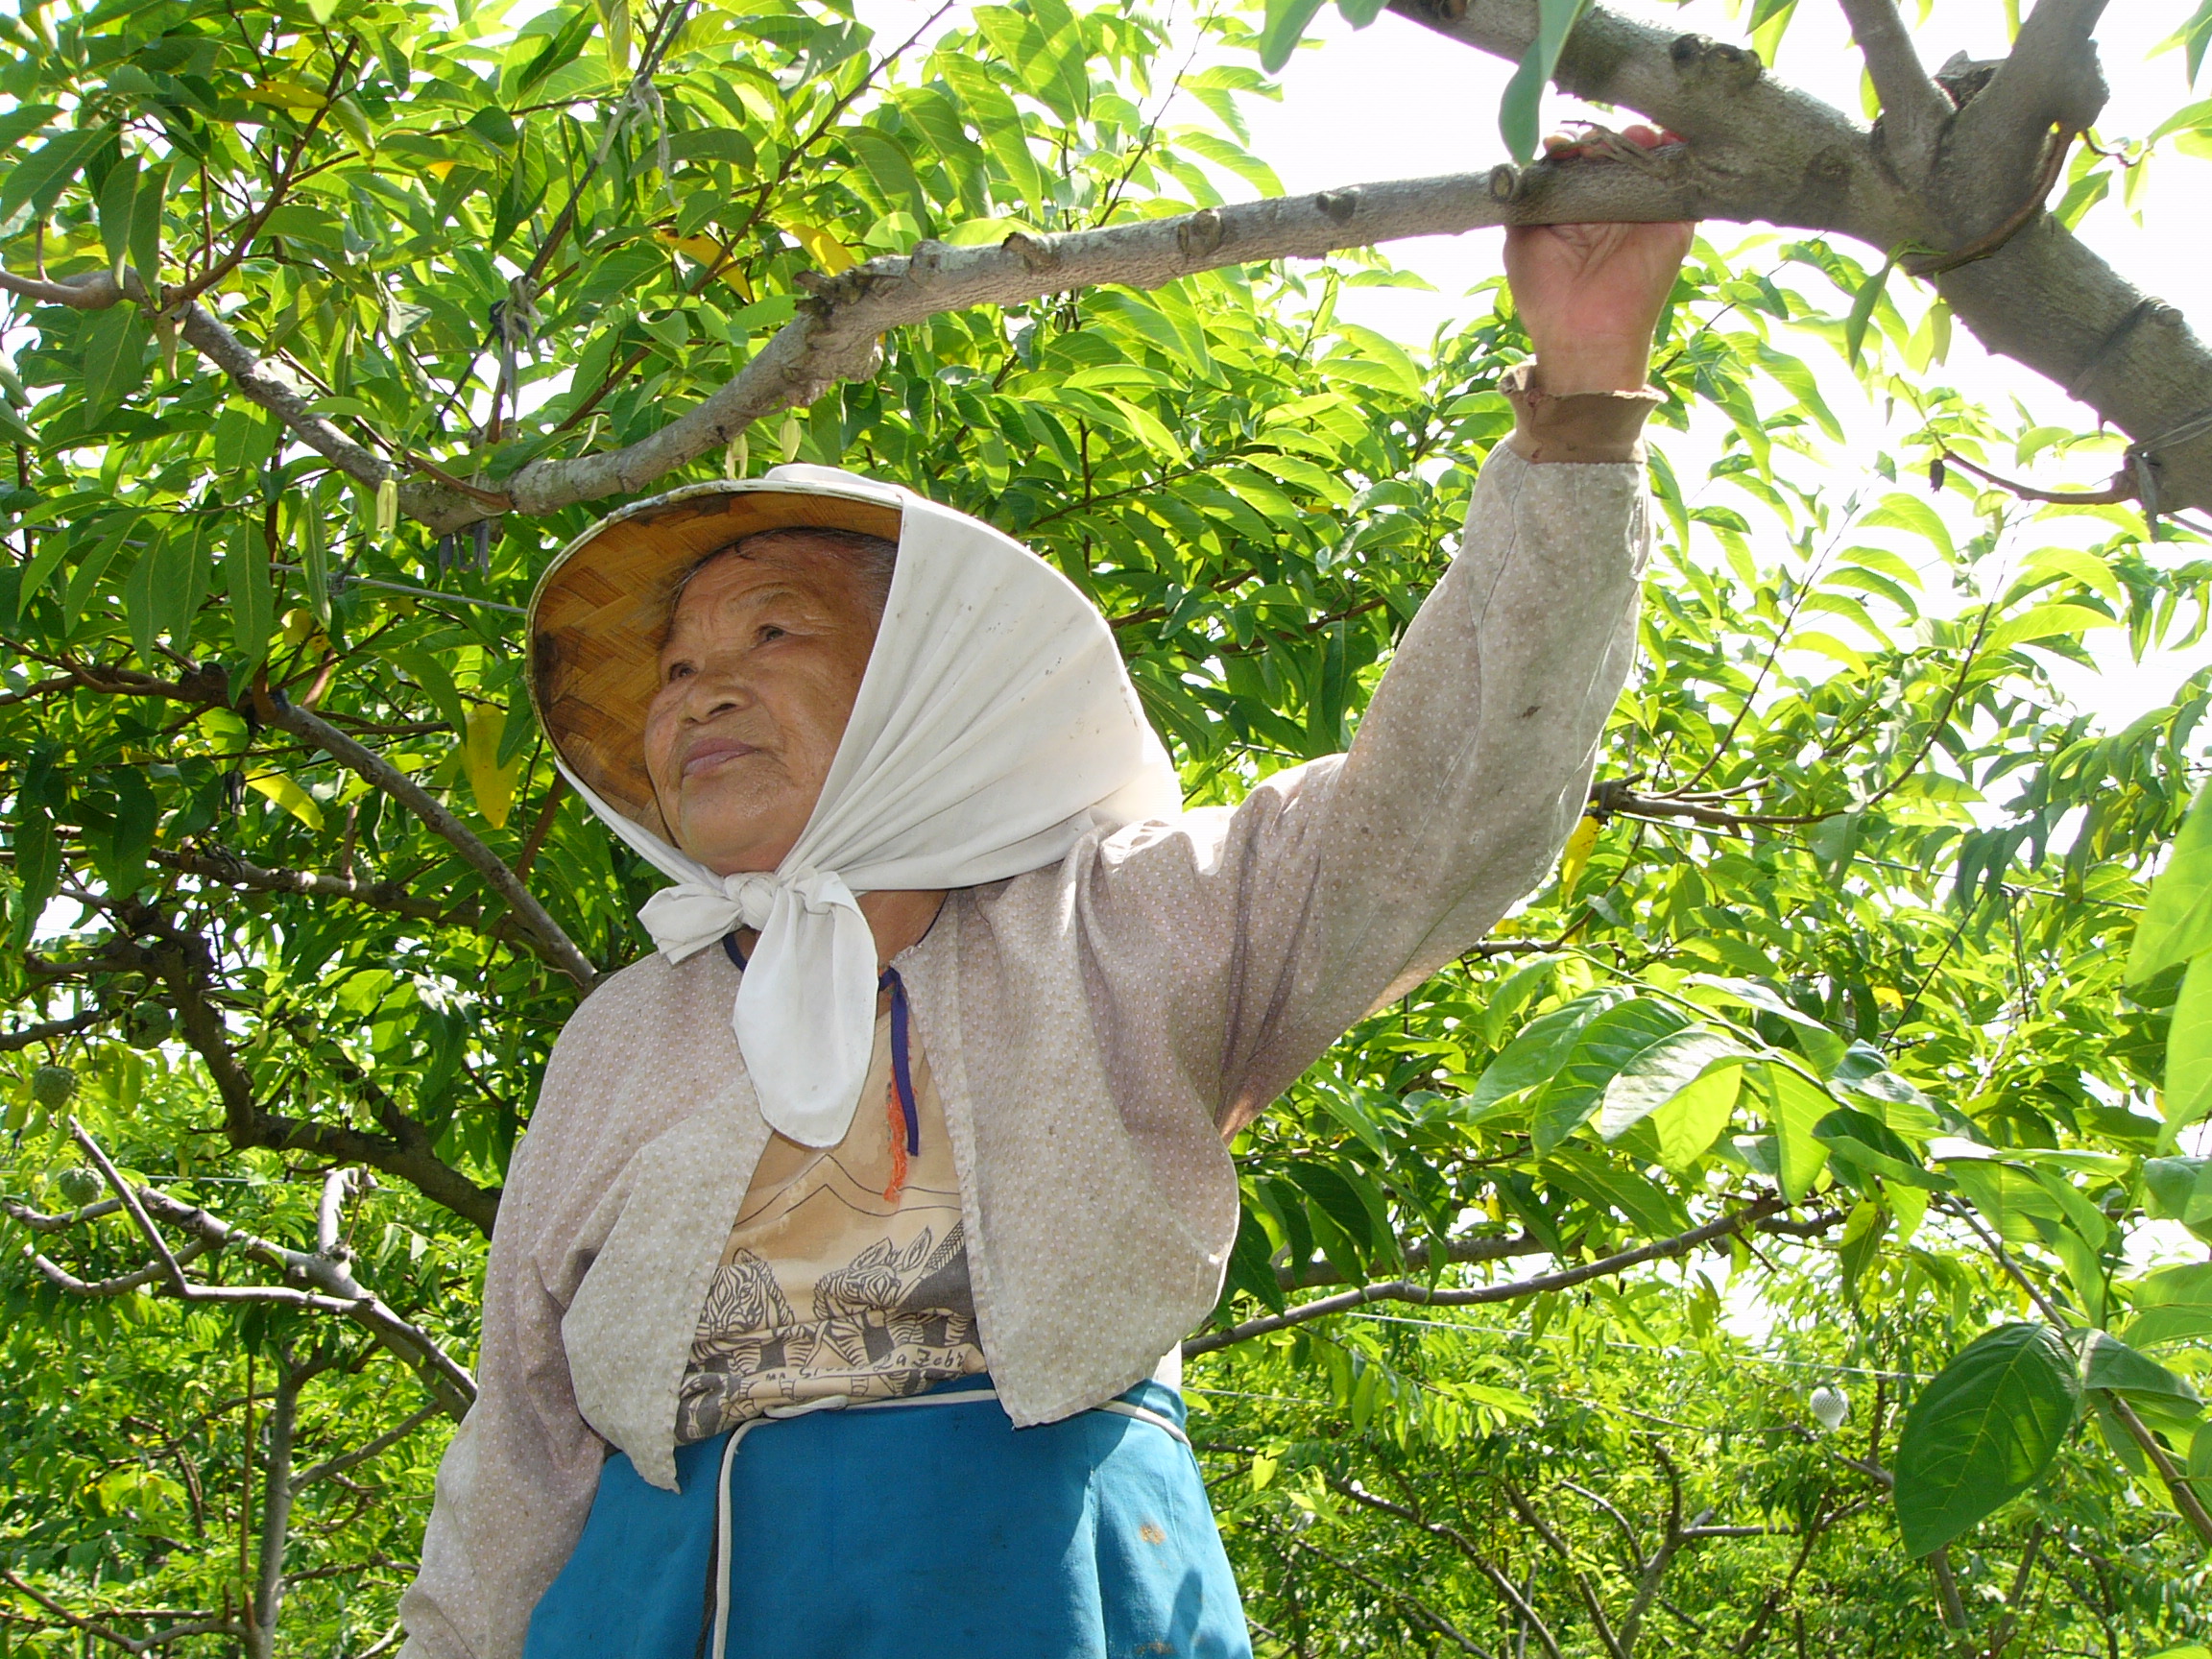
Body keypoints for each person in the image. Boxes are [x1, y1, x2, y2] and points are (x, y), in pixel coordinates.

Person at [397, 199, 1694, 1659]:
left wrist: (1584, 408)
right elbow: (521, 1445)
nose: (699, 694)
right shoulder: (625, 1033)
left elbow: (1444, 809)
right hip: (652, 1611)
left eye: (771, 631)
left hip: (1039, 1594)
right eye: (677, 669)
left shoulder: (1126, 918)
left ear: (926, 680)